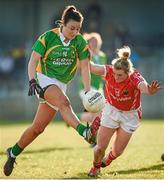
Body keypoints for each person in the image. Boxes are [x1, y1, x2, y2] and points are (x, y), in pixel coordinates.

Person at [3, 5, 100, 176]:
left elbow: (85, 67)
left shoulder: (79, 41)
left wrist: (87, 91)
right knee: (64, 102)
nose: (74, 32)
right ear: (63, 23)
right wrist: (32, 79)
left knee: (37, 128)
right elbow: (33, 60)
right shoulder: (48, 37)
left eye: (78, 29)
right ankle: (85, 132)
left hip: (61, 84)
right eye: (71, 28)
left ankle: (13, 152)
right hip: (44, 80)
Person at [87, 46, 161, 177]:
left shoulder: (134, 77)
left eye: (120, 75)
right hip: (111, 110)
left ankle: (108, 159)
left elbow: (145, 88)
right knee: (100, 148)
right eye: (115, 74)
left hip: (130, 116)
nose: (116, 77)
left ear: (128, 72)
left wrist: (151, 90)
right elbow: (91, 67)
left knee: (118, 151)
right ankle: (95, 168)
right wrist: (86, 55)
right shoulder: (109, 71)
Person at [78, 32, 107, 124]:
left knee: (99, 113)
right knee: (97, 111)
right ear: (89, 43)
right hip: (86, 87)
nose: (95, 43)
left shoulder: (103, 55)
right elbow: (80, 67)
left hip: (99, 87)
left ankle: (74, 117)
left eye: (96, 41)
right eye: (92, 41)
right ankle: (72, 117)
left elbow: (103, 71)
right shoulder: (86, 54)